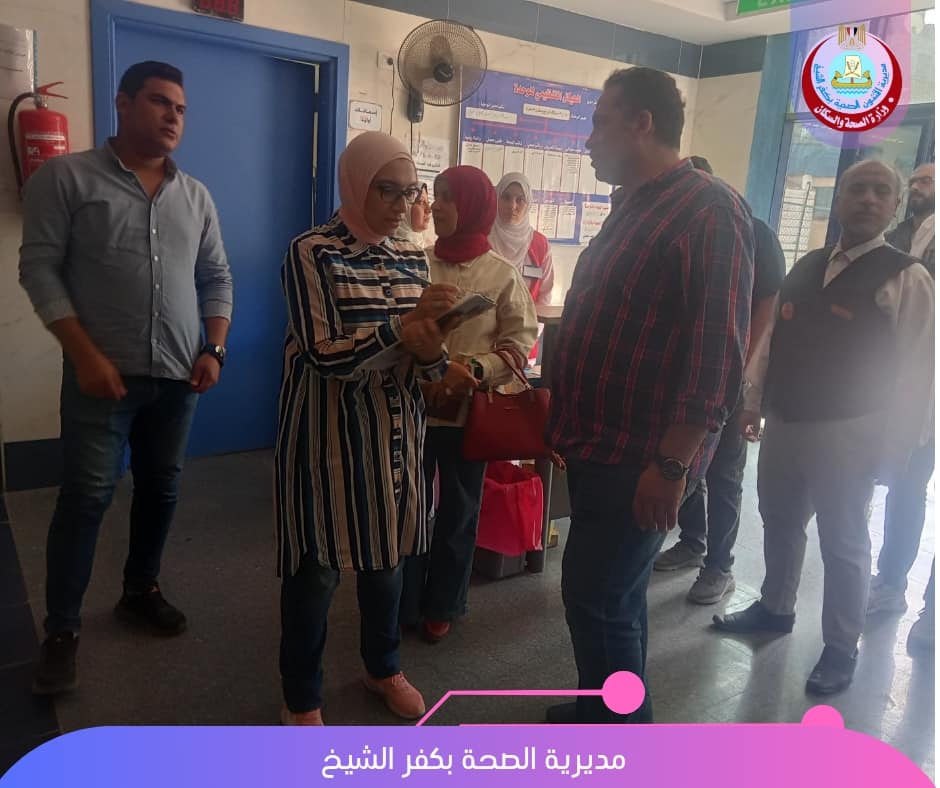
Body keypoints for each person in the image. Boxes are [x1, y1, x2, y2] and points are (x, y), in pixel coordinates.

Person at [545, 67, 754, 724]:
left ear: (643, 123)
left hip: (640, 458)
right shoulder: (633, 205)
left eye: (600, 123)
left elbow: (716, 354)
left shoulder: (707, 209)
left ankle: (619, 740)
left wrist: (671, 464)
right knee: (613, 598)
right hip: (600, 448)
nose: (588, 140)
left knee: (599, 599)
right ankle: (602, 712)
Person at [18, 61, 233, 696]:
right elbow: (39, 269)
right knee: (86, 498)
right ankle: (62, 630)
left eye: (181, 109)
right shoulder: (67, 178)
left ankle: (141, 590)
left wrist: (215, 348)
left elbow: (216, 277)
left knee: (161, 490)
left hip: (178, 377)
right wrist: (83, 354)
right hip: (100, 379)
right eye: (160, 102)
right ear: (123, 102)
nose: (173, 117)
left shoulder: (195, 196)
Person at [713, 161, 935, 696]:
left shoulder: (906, 277)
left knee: (844, 541)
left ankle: (840, 646)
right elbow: (773, 340)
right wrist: (752, 401)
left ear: (895, 206)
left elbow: (918, 373)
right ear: (839, 200)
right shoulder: (807, 266)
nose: (867, 199)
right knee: (779, 519)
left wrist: (898, 450)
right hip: (786, 421)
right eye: (857, 189)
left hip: (851, 432)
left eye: (880, 191)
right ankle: (775, 607)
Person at [276, 131, 458, 725]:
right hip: (326, 438)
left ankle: (383, 667)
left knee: (387, 565)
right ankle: (301, 697)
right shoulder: (313, 253)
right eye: (388, 190)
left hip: (395, 439)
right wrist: (401, 330)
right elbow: (322, 353)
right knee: (317, 571)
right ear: (355, 184)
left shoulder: (412, 256)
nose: (402, 205)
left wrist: (434, 351)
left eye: (411, 192)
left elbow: (425, 362)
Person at [402, 165, 538, 644]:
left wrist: (476, 370)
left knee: (458, 512)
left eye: (447, 197)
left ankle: (443, 604)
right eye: (434, 195)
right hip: (413, 409)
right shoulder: (414, 264)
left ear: (473, 206)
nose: (435, 205)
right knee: (408, 509)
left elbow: (518, 346)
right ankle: (404, 600)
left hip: (468, 415)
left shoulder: (501, 274)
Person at [654, 156, 786, 605]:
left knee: (725, 472)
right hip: (683, 376)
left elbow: (766, 306)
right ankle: (693, 541)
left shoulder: (753, 231)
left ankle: (720, 567)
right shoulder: (681, 227)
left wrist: (740, 374)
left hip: (728, 377)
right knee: (685, 462)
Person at [868, 163, 936, 615]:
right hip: (879, 378)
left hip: (927, 382)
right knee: (877, 477)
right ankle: (873, 571)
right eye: (913, 181)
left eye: (927, 181)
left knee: (910, 483)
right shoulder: (893, 238)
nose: (917, 187)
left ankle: (895, 584)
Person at [489, 172, 555, 307]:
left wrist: (534, 320)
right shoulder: (482, 237)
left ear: (528, 204)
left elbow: (545, 293)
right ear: (496, 199)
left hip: (527, 319)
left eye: (520, 200)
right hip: (485, 318)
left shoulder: (540, 244)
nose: (512, 206)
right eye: (506, 197)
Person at [396, 182, 432, 247]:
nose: (429, 210)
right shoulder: (390, 249)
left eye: (428, 203)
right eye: (421, 202)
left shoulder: (424, 245)